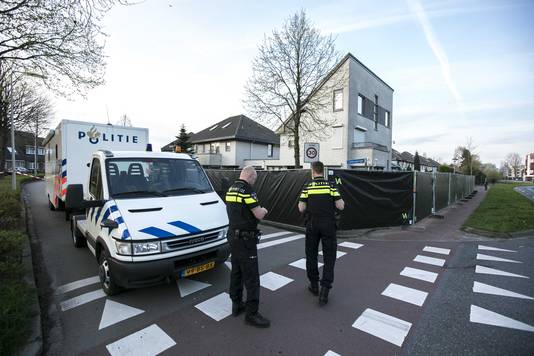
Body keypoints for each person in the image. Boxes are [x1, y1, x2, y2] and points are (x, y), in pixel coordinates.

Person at [225, 166, 270, 328]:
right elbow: (258, 214)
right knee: (251, 276)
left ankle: (236, 304)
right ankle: (252, 314)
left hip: (233, 237)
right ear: (250, 177)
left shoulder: (231, 189)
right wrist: (264, 210)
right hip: (246, 239)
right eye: (254, 180)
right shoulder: (247, 190)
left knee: (236, 272)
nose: (254, 183)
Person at [298, 161, 345, 306]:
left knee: (311, 255)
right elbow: (341, 205)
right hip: (328, 225)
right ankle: (325, 290)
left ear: (313, 171)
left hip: (312, 225)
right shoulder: (331, 186)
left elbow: (301, 207)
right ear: (322, 171)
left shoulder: (307, 187)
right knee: (329, 257)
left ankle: (314, 285)